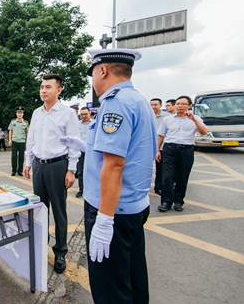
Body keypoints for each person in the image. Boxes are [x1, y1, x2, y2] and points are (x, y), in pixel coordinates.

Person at [68, 48, 156, 303]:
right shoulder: (139, 100)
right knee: (132, 276)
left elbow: (115, 165)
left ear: (103, 70)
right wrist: (86, 146)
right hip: (134, 206)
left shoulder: (114, 102)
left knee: (111, 289)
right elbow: (132, 150)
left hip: (112, 210)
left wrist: (105, 220)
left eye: (93, 74)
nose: (93, 82)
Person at [23, 73, 80, 274]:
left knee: (58, 210)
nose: (43, 90)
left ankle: (60, 252)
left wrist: (71, 170)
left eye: (48, 87)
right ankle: (41, 245)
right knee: (40, 209)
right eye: (41, 87)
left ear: (59, 90)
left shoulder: (67, 113)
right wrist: (28, 162)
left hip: (58, 166)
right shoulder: (37, 113)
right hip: (38, 165)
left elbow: (74, 144)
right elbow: (32, 139)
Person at [156, 95, 207, 212]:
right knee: (167, 177)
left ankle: (179, 201)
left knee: (182, 177)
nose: (180, 106)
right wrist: (157, 150)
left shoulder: (195, 119)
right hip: (169, 149)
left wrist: (193, 119)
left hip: (186, 150)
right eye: (178, 104)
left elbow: (203, 132)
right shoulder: (168, 119)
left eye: (183, 104)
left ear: (189, 106)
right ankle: (166, 201)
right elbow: (160, 135)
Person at [150, 98, 171, 195]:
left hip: (161, 146)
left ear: (160, 106)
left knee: (161, 168)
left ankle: (159, 187)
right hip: (147, 146)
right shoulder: (147, 115)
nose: (153, 107)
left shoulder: (167, 117)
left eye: (155, 105)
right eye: (151, 105)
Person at [75, 106, 94, 198]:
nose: (84, 116)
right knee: (80, 171)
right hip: (81, 151)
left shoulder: (95, 124)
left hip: (92, 151)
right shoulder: (77, 125)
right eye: (82, 114)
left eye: (86, 114)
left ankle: (91, 189)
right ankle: (81, 189)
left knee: (92, 171)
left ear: (89, 114)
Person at [8, 106, 29, 176]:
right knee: (14, 157)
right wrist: (10, 140)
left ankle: (20, 171)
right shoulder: (13, 122)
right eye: (18, 113)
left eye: (21, 113)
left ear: (23, 114)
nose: (19, 114)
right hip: (14, 141)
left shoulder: (25, 123)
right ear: (16, 114)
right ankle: (14, 170)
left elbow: (27, 133)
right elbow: (10, 131)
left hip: (22, 142)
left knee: (21, 157)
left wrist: (27, 142)